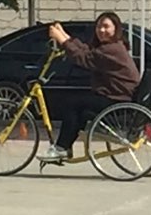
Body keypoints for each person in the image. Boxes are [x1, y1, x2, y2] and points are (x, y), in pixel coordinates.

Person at [37, 12, 140, 162]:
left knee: (72, 104)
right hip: (116, 94)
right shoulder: (112, 46)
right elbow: (86, 50)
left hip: (116, 98)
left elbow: (83, 58)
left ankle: (61, 148)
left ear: (116, 29)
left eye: (106, 27)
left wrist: (61, 40)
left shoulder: (111, 50)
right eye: (99, 26)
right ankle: (64, 146)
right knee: (79, 106)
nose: (101, 30)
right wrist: (64, 36)